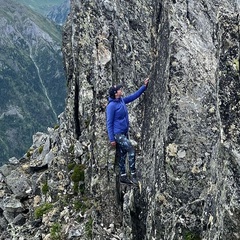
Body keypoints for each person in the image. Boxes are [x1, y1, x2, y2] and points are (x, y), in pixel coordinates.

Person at [106, 78, 149, 184]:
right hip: (118, 134)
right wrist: (112, 138)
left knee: (123, 153)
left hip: (124, 132)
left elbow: (133, 96)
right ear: (116, 93)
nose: (121, 90)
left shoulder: (121, 101)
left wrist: (144, 87)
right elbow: (109, 123)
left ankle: (123, 176)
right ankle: (133, 174)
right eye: (119, 89)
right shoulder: (111, 106)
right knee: (131, 150)